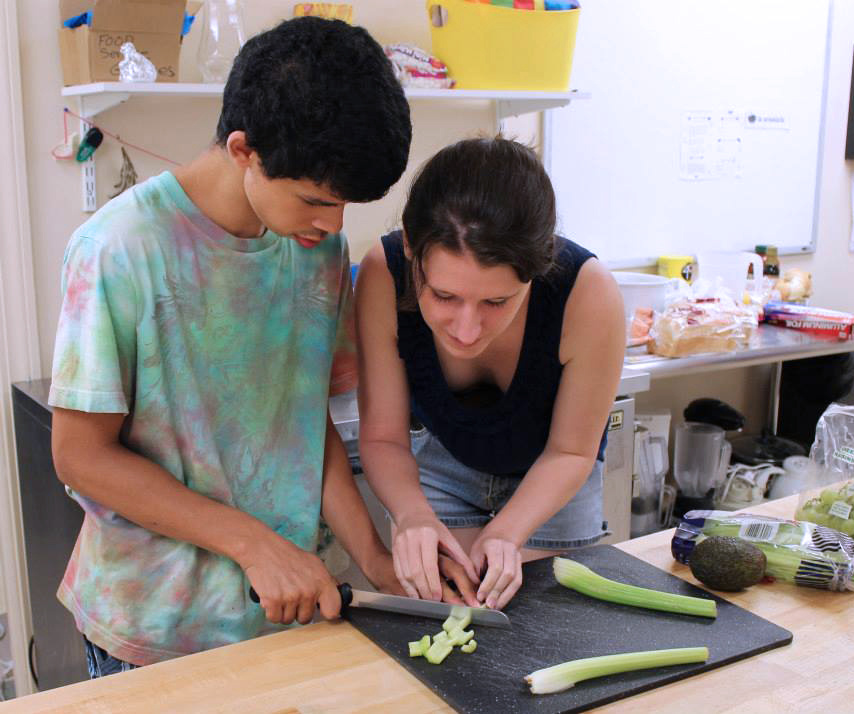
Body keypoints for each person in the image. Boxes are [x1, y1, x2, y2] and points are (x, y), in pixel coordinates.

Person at [48, 17, 412, 675]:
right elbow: (80, 458)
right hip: (158, 628)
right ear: (243, 150)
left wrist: (376, 557)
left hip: (292, 613)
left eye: (346, 206)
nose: (333, 225)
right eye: (315, 201)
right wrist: (253, 544)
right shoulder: (118, 251)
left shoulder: (316, 246)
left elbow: (304, 425)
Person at [355, 138, 625, 610]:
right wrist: (414, 516)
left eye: (496, 302)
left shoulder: (588, 291)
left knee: (549, 623)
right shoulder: (384, 272)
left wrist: (508, 532)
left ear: (538, 269)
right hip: (441, 468)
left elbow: (571, 449)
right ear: (412, 249)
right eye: (443, 296)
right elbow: (382, 437)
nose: (465, 329)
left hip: (555, 473)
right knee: (444, 617)